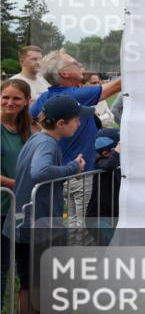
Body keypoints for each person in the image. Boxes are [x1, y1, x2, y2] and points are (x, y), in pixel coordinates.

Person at [2, 95, 90, 314]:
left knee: (33, 283)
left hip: (27, 222)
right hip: (33, 225)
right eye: (76, 120)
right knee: (34, 285)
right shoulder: (47, 143)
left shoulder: (39, 139)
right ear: (61, 123)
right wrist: (73, 167)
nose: (79, 124)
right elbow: (40, 172)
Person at [31, 51, 121, 232]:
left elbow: (33, 116)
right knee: (85, 228)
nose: (80, 63)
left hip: (63, 174)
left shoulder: (44, 98)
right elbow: (119, 84)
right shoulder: (73, 95)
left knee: (73, 225)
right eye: (74, 62)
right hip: (82, 174)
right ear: (64, 74)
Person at [1, 78, 34, 314]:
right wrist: (20, 185)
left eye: (16, 99)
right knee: (1, 269)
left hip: (21, 209)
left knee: (21, 269)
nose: (10, 102)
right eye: (5, 97)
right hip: (3, 206)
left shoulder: (27, 130)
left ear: (26, 102)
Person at [87, 131, 122, 244]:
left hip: (112, 215)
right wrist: (117, 152)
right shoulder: (99, 161)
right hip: (97, 218)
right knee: (112, 246)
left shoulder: (116, 161)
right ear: (106, 152)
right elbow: (109, 165)